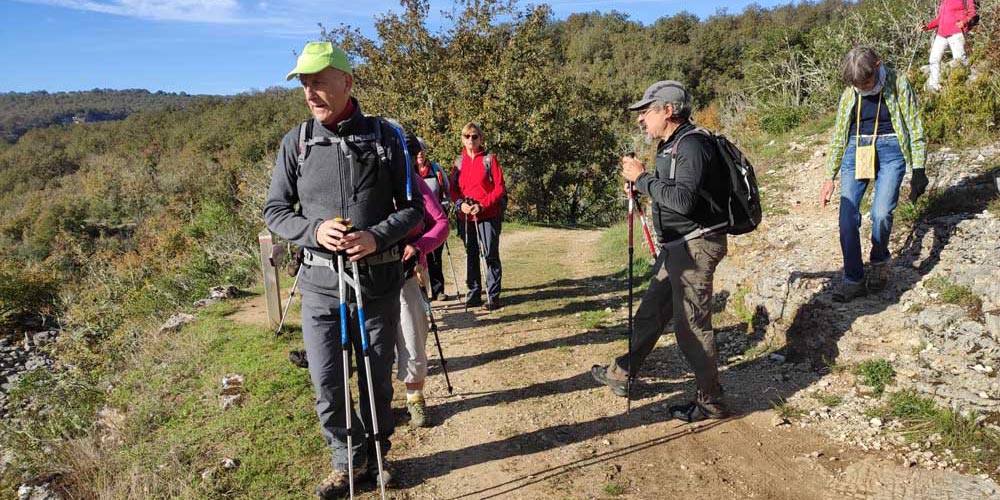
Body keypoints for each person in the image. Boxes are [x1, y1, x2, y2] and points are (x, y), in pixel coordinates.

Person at [263, 41, 424, 498]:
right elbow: (275, 211)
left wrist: (376, 236)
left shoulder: (386, 137)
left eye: (318, 82)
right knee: (328, 382)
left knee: (376, 380)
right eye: (304, 84)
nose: (310, 93)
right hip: (319, 285)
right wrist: (314, 231)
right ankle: (346, 462)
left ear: (347, 82)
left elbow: (414, 209)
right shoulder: (296, 142)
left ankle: (377, 457)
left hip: (376, 282)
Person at [590, 81, 732, 422]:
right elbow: (675, 190)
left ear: (668, 110)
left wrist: (642, 179)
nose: (641, 119)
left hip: (695, 247)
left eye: (646, 111)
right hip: (677, 246)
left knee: (690, 327)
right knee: (651, 313)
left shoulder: (692, 144)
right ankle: (621, 372)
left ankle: (711, 401)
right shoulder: (672, 145)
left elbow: (683, 201)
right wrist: (643, 182)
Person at [819, 47, 928, 302]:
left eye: (866, 83)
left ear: (878, 66)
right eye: (857, 85)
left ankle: (879, 263)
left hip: (892, 150)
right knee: (847, 219)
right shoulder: (851, 92)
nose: (862, 88)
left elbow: (914, 125)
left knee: (881, 214)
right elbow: (839, 134)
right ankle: (853, 280)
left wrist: (919, 169)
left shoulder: (898, 83)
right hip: (856, 149)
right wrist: (829, 177)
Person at [396, 134, 450, 427]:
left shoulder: (416, 184)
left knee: (413, 335)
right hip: (371, 276)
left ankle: (414, 398)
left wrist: (419, 246)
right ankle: (379, 403)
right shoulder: (367, 184)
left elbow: (441, 223)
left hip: (410, 271)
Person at [450, 122, 507, 311]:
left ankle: (493, 296)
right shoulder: (459, 162)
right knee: (471, 254)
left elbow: (499, 187)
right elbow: (453, 190)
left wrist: (482, 205)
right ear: (462, 139)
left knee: (490, 254)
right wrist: (461, 204)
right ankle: (474, 294)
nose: (471, 140)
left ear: (480, 138)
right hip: (466, 217)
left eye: (474, 136)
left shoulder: (489, 159)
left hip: (488, 215)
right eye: (467, 136)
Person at [415, 137, 451, 301]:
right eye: (417, 150)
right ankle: (422, 293)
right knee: (420, 257)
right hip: (417, 221)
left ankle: (438, 290)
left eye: (423, 149)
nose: (420, 153)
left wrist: (445, 205)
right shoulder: (408, 172)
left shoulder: (435, 169)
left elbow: (447, 191)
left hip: (435, 220)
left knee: (435, 256)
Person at [923, 0, 977, 92]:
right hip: (941, 34)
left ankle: (962, 86)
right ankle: (934, 86)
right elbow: (940, 19)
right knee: (934, 59)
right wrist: (928, 26)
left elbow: (972, 12)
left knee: (959, 61)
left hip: (957, 32)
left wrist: (964, 22)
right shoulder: (944, 1)